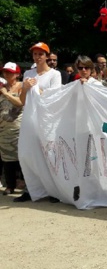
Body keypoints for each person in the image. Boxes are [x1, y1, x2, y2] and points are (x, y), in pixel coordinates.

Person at [15, 42, 62, 203]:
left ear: (47, 56)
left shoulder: (55, 75)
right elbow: (22, 100)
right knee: (27, 153)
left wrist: (38, 90)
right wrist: (26, 88)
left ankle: (54, 190)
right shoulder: (28, 73)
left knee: (47, 153)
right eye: (35, 54)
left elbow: (55, 98)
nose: (37, 57)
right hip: (29, 118)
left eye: (41, 54)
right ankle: (32, 189)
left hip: (46, 120)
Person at [0, 62, 23, 195]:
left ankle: (23, 183)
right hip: (4, 129)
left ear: (17, 74)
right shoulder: (1, 87)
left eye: (10, 72)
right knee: (7, 158)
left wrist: (6, 94)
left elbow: (21, 103)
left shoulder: (21, 87)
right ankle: (10, 185)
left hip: (19, 128)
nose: (6, 74)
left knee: (21, 157)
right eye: (5, 71)